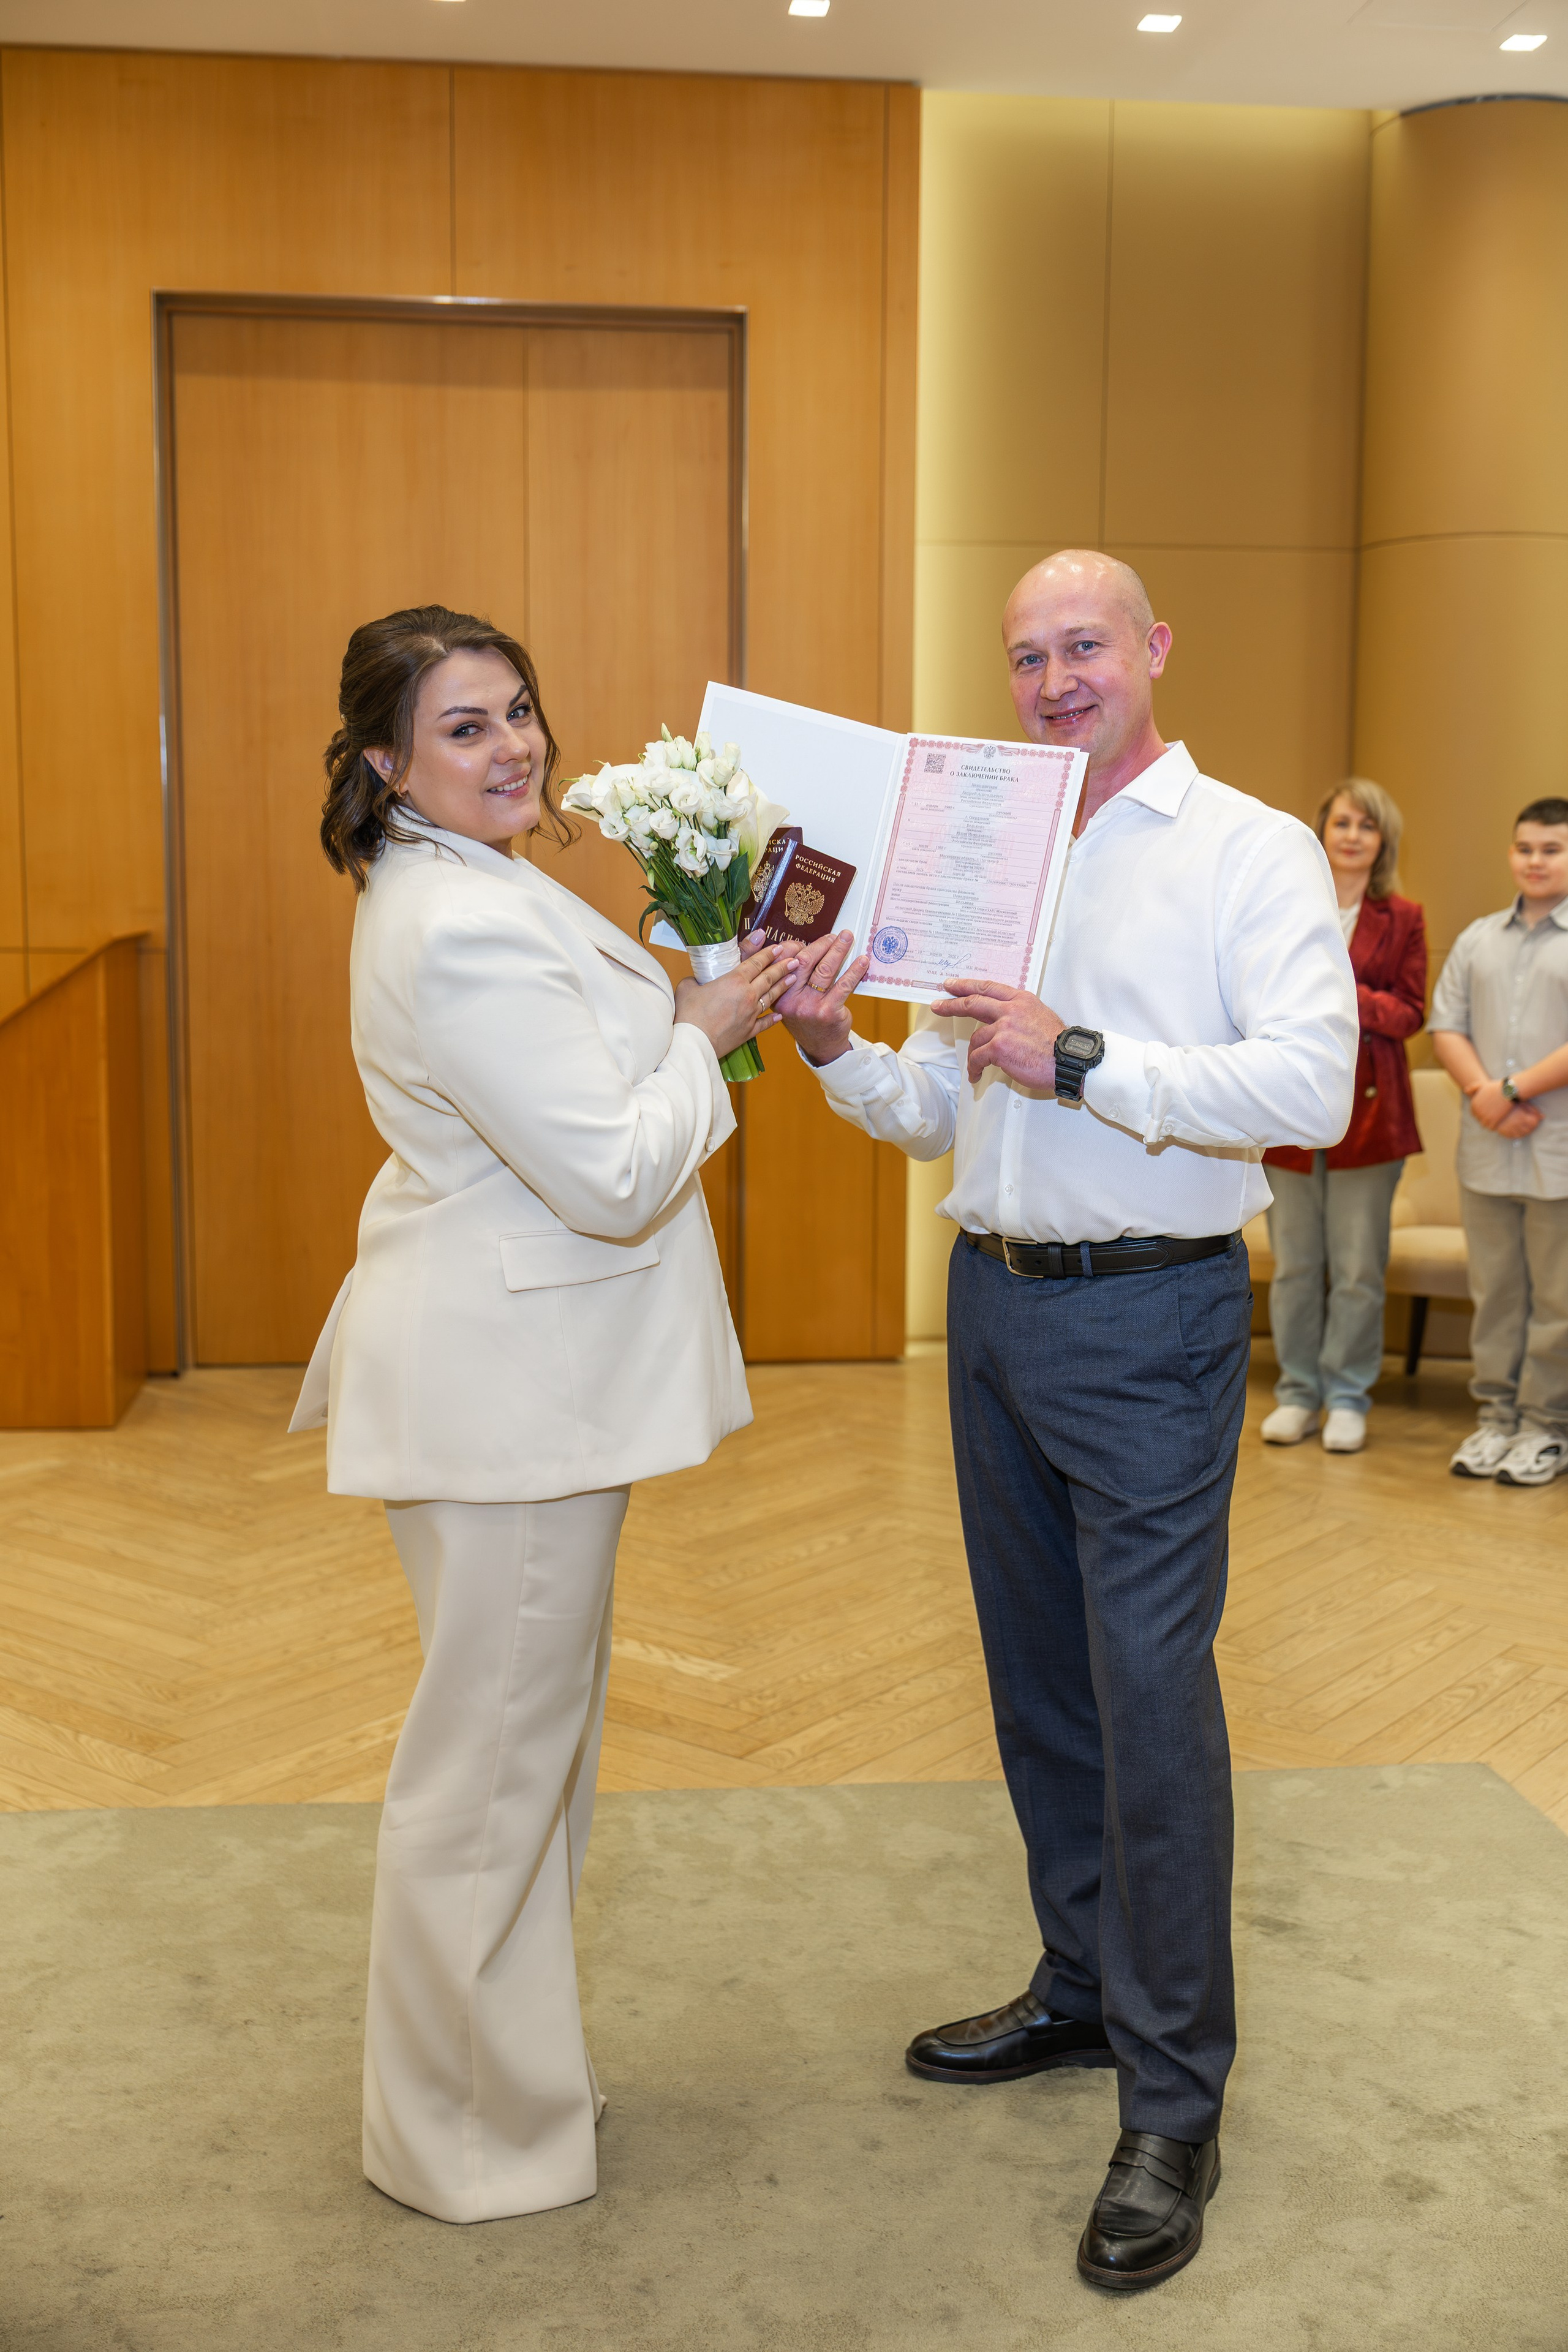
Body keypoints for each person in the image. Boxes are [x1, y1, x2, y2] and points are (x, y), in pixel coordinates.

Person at [776, 550, 1356, 2292]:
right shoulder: (995, 854)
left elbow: (1312, 1084)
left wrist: (1084, 1057)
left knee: (1151, 1706)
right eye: (1026, 656)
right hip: (996, 1314)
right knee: (1038, 1685)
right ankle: (1084, 1991)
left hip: (1155, 1320)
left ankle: (1176, 2100)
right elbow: (932, 1111)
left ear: (1154, 650)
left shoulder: (1246, 848)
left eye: (1082, 645)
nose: (1052, 681)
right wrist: (827, 1048)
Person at [288, 605, 795, 2224]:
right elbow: (612, 1171)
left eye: (518, 711)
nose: (511, 747)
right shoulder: (455, 922)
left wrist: (708, 996)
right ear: (387, 762)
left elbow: (578, 1089)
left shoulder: (470, 881)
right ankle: (459, 2136)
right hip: (510, 1404)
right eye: (463, 726)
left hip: (522, 1389)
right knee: (492, 1778)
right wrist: (712, 1032)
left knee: (524, 1767)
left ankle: (497, 2086)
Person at [1259, 781, 1427, 1454]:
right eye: (1341, 822)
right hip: (1291, 1109)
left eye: (1367, 825)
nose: (1352, 835)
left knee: (1358, 1268)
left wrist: (1338, 990)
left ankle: (1348, 1394)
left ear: (1382, 842)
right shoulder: (1286, 905)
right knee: (1297, 1263)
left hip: (1373, 1114)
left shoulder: (1404, 916)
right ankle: (1298, 1392)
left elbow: (1409, 1014)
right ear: (1320, 831)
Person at [1430, 796, 1568, 1486]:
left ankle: (1544, 1429)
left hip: (1558, 1152)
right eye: (1525, 848)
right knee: (1497, 1295)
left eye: (1552, 849)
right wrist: (1487, 1096)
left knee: (1557, 1300)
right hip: (1486, 1149)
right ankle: (1495, 1422)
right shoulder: (1478, 938)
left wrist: (1507, 1090)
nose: (1535, 861)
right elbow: (1445, 1025)